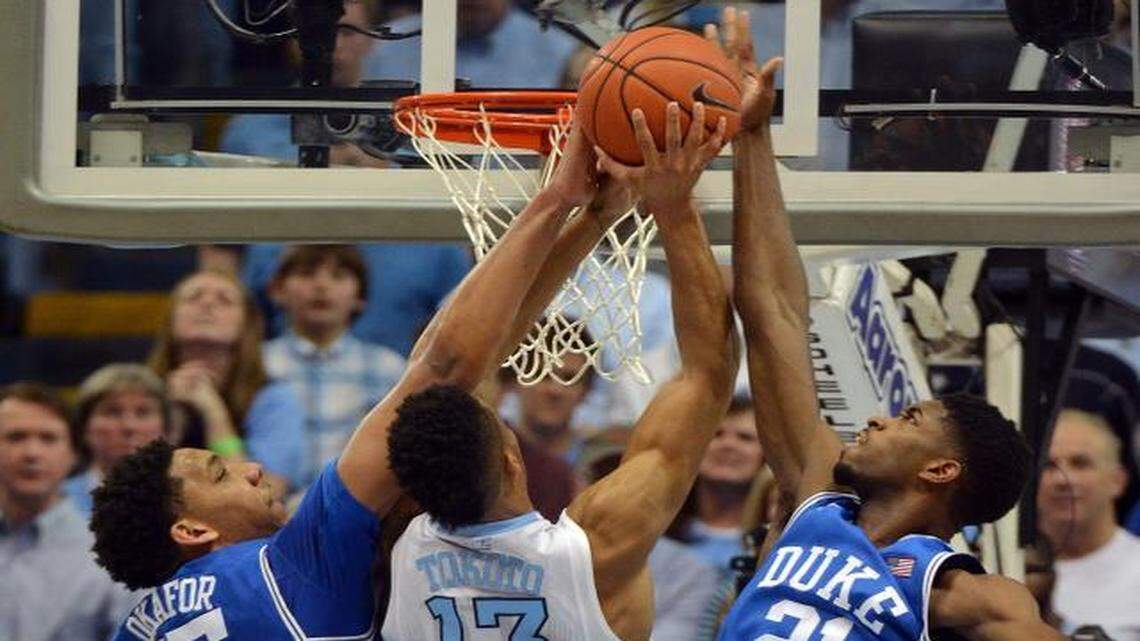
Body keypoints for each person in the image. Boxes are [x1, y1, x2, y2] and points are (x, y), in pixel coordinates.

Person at [90, 120, 635, 640]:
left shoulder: (135, 625)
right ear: (190, 532)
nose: (252, 469)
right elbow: (443, 371)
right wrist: (559, 200)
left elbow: (453, 372)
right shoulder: (289, 567)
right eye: (219, 474)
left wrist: (587, 221)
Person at [713, 8, 1060, 640]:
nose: (877, 417)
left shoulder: (962, 590)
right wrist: (752, 136)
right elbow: (773, 313)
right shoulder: (818, 500)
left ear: (941, 471)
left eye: (909, 420)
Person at [382, 103, 736, 640]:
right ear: (511, 461)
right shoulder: (594, 552)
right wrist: (671, 203)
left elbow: (478, 353)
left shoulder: (400, 545)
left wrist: (593, 220)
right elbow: (707, 375)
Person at [149, 269, 306, 490]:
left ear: (247, 323)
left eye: (225, 300)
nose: (207, 304)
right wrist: (169, 419)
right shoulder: (144, 390)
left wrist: (214, 413)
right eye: (193, 297)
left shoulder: (275, 399)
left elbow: (263, 493)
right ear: (171, 318)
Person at [0, 383, 134, 641]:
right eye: (16, 437)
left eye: (48, 438)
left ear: (73, 453)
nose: (32, 453)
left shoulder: (112, 557)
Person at [264, 245, 406, 487]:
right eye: (307, 274)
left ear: (360, 298)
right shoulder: (259, 362)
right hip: (269, 506)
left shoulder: (390, 368)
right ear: (278, 291)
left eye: (338, 276)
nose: (321, 285)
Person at [1038, 409, 1140, 641]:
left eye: (1080, 463)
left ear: (1118, 480)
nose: (1063, 479)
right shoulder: (999, 566)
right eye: (1049, 465)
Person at [668, 395, 765, 571]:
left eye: (745, 437)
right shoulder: (655, 532)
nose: (727, 444)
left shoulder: (774, 544)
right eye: (716, 434)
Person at [63, 364, 170, 515]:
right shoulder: (53, 501)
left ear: (166, 428)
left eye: (143, 413)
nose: (129, 426)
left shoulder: (185, 503)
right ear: (84, 427)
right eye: (112, 412)